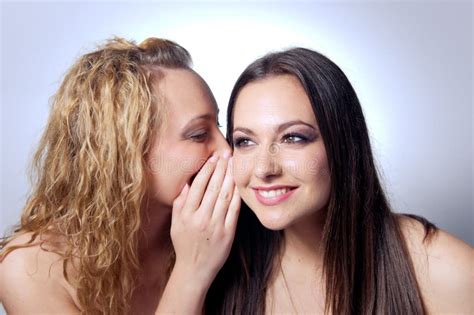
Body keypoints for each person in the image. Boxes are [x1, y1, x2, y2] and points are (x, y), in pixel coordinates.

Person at [206, 48, 473, 314]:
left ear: (343, 143)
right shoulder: (220, 267)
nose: (264, 168)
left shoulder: (444, 270)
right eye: (245, 141)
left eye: (293, 138)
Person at [0, 37, 240, 314]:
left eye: (219, 127)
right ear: (124, 153)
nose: (227, 151)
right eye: (199, 134)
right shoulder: (28, 269)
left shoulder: (236, 233)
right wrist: (192, 271)